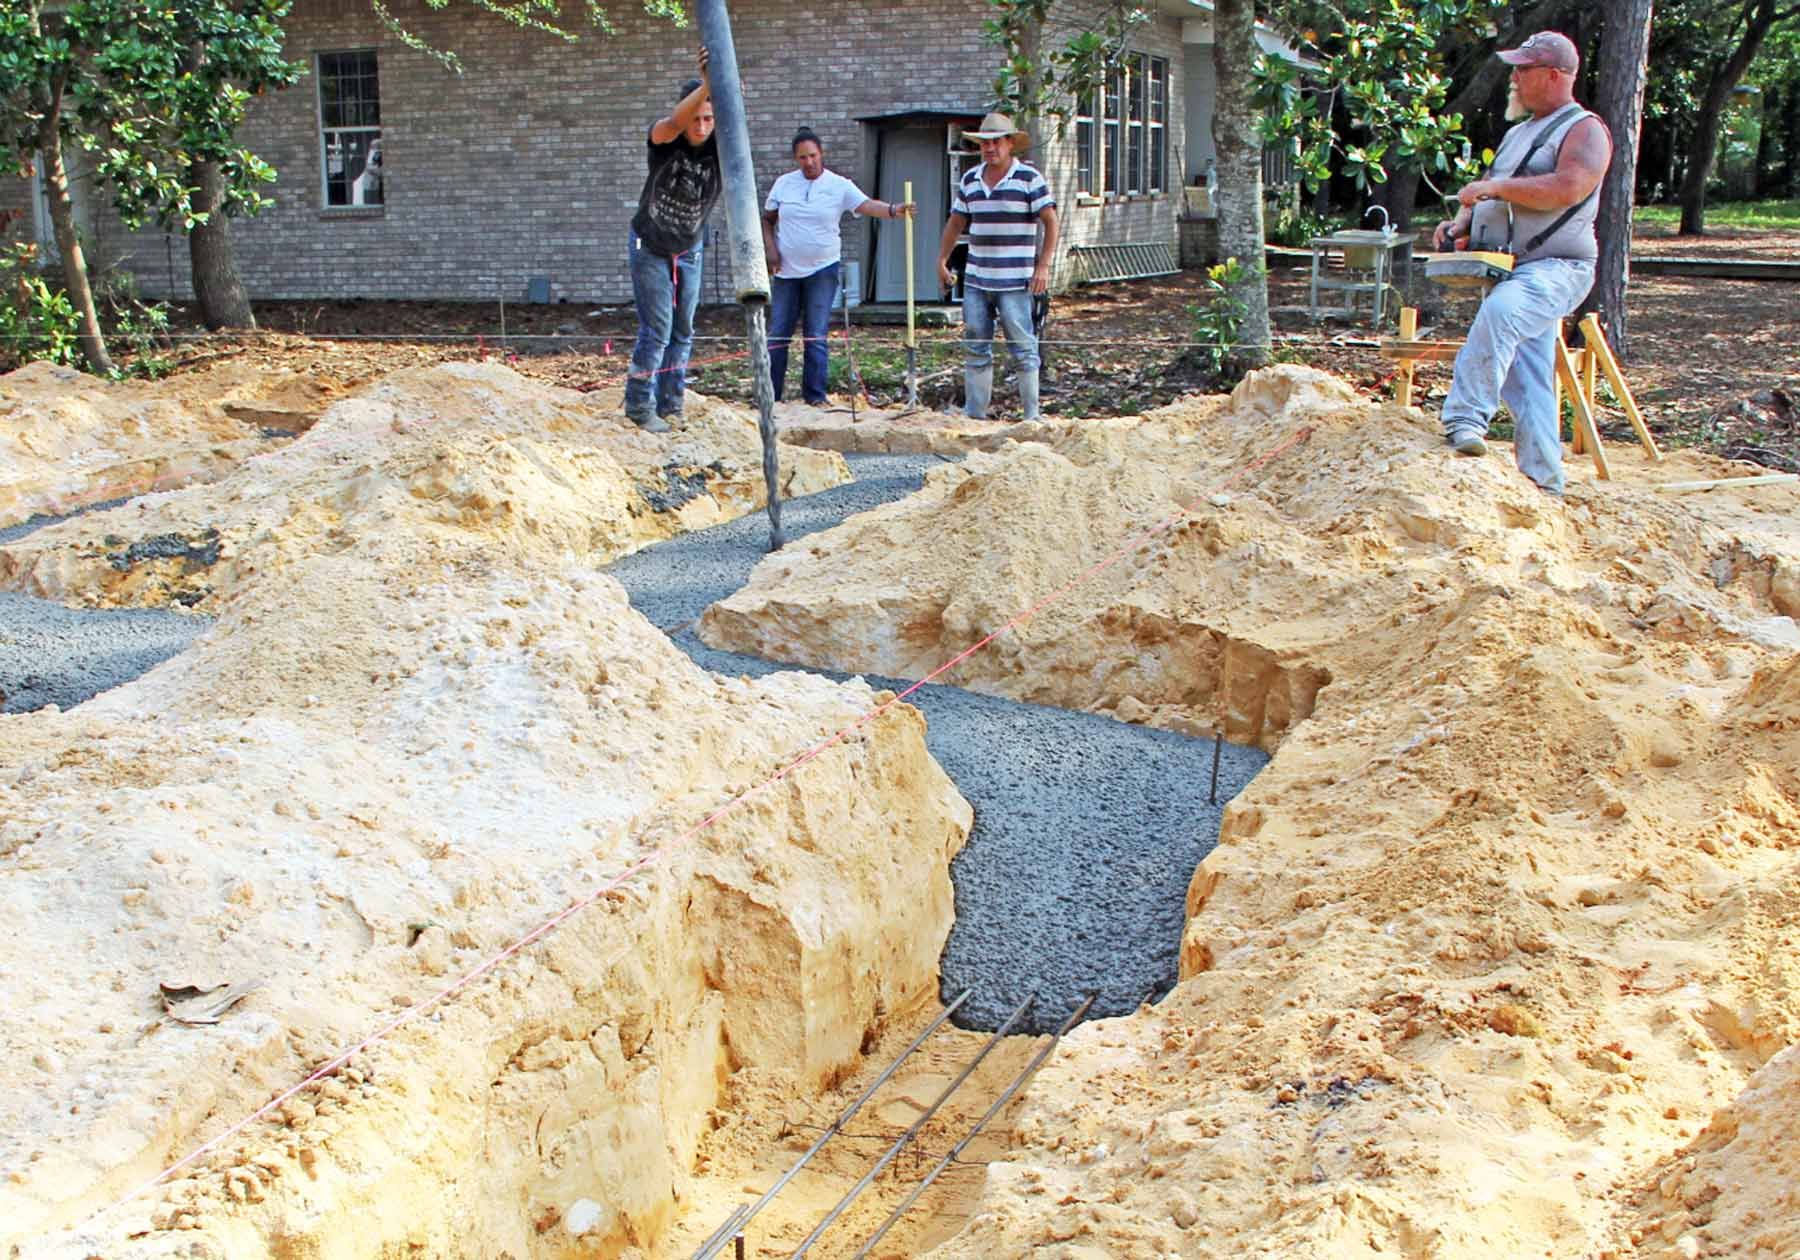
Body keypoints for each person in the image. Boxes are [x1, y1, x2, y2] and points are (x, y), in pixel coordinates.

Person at [1432, 30, 1612, 495]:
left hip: (1558, 266)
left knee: (1502, 313)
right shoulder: (1518, 133)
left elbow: (1567, 187)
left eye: (1523, 69)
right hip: (1512, 267)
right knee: (1530, 377)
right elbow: (1491, 191)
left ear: (1554, 75)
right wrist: (1462, 224)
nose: (1513, 78)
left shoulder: (1585, 129)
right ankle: (1546, 480)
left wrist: (1493, 191)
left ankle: (1464, 419)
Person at [762, 128, 914, 407]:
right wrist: (770, 251)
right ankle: (771, 397)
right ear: (795, 159)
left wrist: (894, 210)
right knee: (778, 334)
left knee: (815, 334)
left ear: (822, 154)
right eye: (802, 158)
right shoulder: (784, 184)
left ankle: (815, 397)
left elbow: (866, 204)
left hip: (822, 269)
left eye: (812, 155)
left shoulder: (838, 185)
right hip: (786, 271)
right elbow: (767, 219)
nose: (808, 162)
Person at [936, 112, 1059, 423]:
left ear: (1009, 144)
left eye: (995, 142)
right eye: (984, 143)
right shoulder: (971, 179)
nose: (990, 149)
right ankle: (975, 414)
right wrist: (942, 259)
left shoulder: (1029, 179)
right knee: (976, 342)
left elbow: (1050, 220)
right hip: (978, 277)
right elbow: (956, 221)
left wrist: (1043, 266)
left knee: (1023, 344)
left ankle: (1031, 415)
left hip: (1016, 279)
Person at [625, 50, 722, 434]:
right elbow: (672, 122)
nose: (701, 126)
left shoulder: (720, 146)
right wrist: (707, 86)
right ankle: (638, 407)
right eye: (695, 118)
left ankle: (672, 405)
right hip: (648, 243)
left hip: (690, 247)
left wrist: (724, 88)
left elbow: (737, 121)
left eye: (709, 119)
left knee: (683, 330)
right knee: (657, 329)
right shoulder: (665, 139)